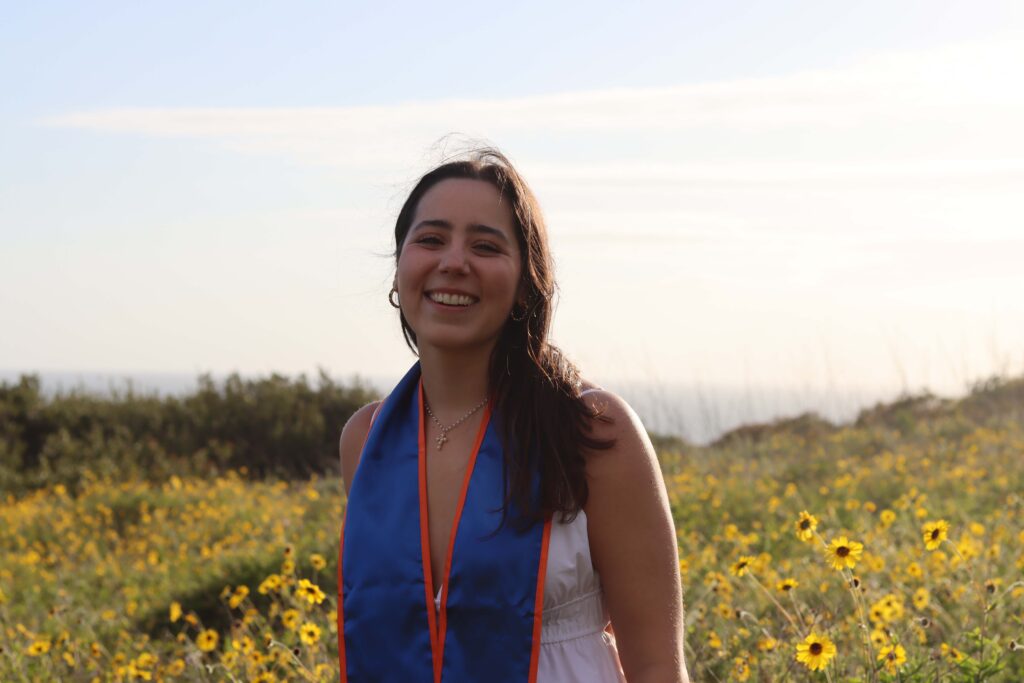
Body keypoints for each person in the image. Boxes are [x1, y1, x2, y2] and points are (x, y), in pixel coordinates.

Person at [338, 147, 689, 683]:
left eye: (485, 245)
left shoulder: (591, 430)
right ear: (399, 266)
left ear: (526, 283)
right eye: (430, 239)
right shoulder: (367, 439)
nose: (453, 262)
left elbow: (658, 667)